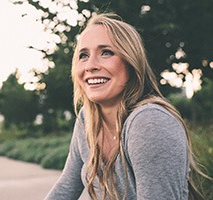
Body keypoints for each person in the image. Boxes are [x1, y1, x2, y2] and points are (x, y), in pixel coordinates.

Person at [45, 13, 205, 200]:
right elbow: (65, 187)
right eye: (83, 55)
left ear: (131, 62)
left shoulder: (149, 122)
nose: (90, 65)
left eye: (106, 52)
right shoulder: (86, 119)